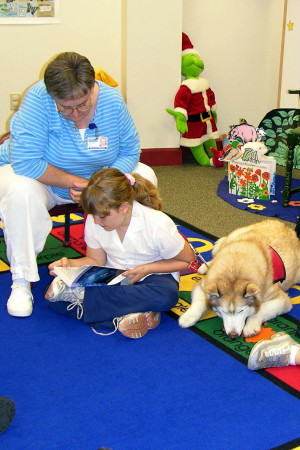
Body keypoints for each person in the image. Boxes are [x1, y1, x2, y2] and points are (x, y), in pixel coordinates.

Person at [0, 52, 156, 318]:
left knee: (145, 175)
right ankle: (22, 280)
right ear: (52, 96)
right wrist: (77, 182)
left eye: (82, 105)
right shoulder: (37, 100)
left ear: (93, 88)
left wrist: (98, 185)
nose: (74, 114)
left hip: (95, 181)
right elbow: (26, 163)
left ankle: (130, 262)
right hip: (43, 180)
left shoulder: (112, 101)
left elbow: (131, 152)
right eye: (65, 108)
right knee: (19, 193)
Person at [44, 168, 196, 339]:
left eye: (102, 217)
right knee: (51, 299)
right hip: (114, 276)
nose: (96, 221)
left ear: (124, 207)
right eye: (93, 216)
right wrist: (69, 265)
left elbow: (188, 261)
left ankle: (90, 303)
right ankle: (134, 315)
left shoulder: (157, 224)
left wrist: (147, 268)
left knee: (166, 296)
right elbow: (95, 260)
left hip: (155, 276)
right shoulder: (97, 220)